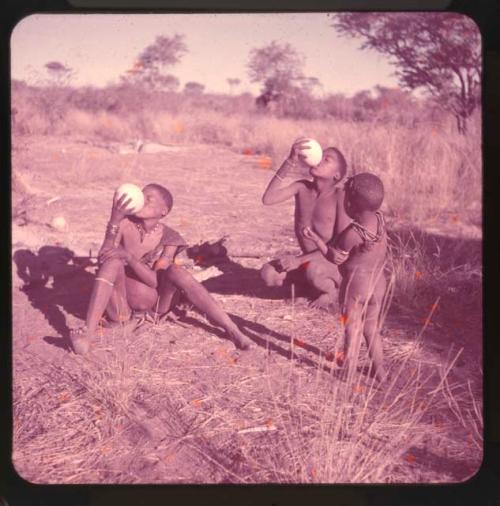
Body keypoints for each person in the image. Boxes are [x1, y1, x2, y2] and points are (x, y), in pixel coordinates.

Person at [69, 183, 251, 355]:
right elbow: (104, 256)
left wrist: (130, 258)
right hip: (121, 308)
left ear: (163, 211)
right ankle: (88, 332)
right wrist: (114, 219)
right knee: (112, 262)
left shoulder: (170, 237)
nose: (141, 199)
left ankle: (232, 329)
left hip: (155, 307)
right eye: (141, 194)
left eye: (148, 198)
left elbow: (155, 281)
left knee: (176, 271)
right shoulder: (123, 224)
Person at [303, 173, 388, 383]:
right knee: (371, 328)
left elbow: (334, 257)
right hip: (379, 285)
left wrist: (315, 239)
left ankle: (349, 370)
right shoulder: (380, 221)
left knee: (352, 327)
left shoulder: (354, 232)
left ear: (349, 203)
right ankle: (381, 371)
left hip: (356, 285)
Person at [260, 139, 351, 309]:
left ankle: (332, 292)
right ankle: (310, 288)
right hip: (307, 261)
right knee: (268, 273)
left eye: (326, 159)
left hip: (332, 265)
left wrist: (299, 260)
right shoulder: (301, 188)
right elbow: (268, 199)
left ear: (336, 176)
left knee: (313, 271)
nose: (319, 159)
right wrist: (290, 161)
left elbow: (340, 246)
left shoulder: (339, 197)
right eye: (320, 155)